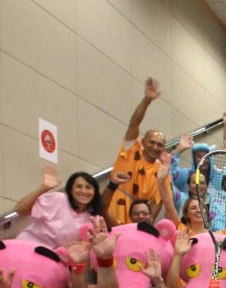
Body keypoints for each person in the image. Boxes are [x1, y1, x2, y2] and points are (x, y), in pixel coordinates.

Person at [106, 77, 171, 225]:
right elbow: (134, 123)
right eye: (152, 142)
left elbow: (157, 202)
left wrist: (145, 227)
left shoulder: (161, 171)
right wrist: (146, 100)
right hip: (113, 209)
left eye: (160, 145)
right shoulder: (130, 150)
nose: (155, 147)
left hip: (138, 218)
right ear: (142, 142)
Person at [14, 168, 104, 248]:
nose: (84, 191)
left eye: (88, 188)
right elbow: (20, 209)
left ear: (95, 192)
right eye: (79, 187)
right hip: (27, 247)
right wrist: (44, 187)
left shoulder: (94, 218)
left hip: (53, 260)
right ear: (71, 190)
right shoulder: (59, 199)